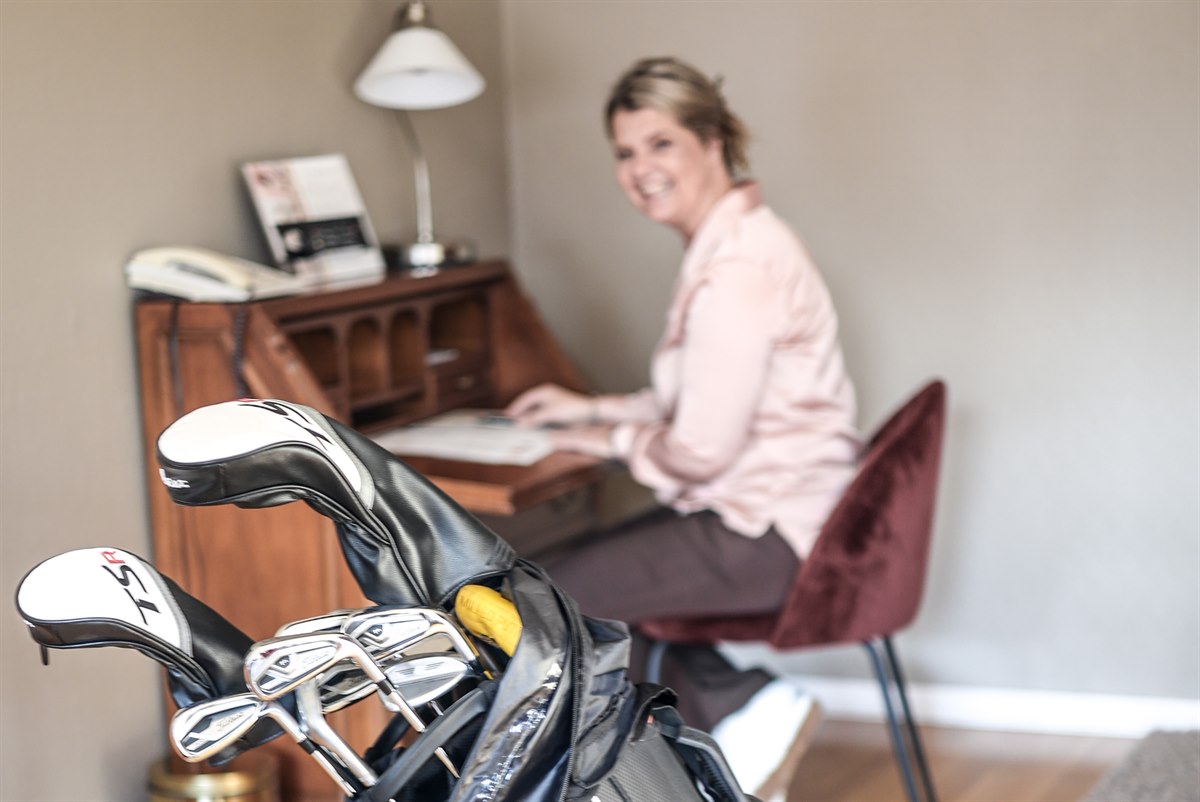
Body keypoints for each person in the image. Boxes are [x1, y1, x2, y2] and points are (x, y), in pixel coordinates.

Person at [505, 56, 861, 801]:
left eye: (660, 144)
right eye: (626, 153)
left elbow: (700, 449)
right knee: (576, 584)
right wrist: (594, 411)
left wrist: (603, 444)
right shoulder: (733, 244)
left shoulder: (738, 269)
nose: (640, 170)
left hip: (770, 531)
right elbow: (700, 398)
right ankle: (720, 733)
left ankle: (740, 711)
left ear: (712, 140)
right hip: (777, 513)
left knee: (548, 602)